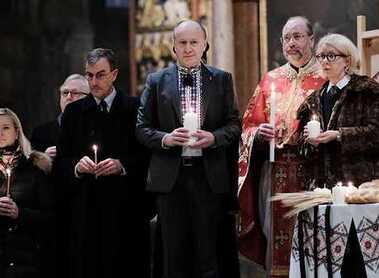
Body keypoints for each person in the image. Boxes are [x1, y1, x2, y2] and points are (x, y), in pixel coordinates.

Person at [136, 19, 241, 278]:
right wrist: (166, 138)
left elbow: (234, 125)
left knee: (209, 255)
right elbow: (141, 127)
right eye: (182, 43)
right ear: (173, 46)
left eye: (194, 42)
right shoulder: (157, 80)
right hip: (171, 180)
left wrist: (214, 138)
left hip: (208, 177)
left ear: (205, 44)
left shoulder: (221, 79)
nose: (188, 48)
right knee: (174, 256)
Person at [237, 16, 326, 276]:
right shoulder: (270, 80)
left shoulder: (325, 78)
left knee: (314, 240)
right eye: (286, 38)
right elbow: (247, 127)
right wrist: (258, 132)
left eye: (297, 36)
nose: (291, 43)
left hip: (313, 173)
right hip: (274, 173)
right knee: (276, 242)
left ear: (312, 39)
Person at [54, 48, 152, 278]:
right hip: (86, 213)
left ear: (114, 74)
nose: (94, 81)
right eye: (89, 75)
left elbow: (148, 156)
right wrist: (77, 167)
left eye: (100, 74)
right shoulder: (74, 112)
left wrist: (122, 165)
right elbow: (61, 161)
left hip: (125, 212)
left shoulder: (135, 108)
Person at [297, 33, 379, 278]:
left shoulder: (367, 91)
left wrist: (340, 135)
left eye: (331, 55)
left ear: (347, 60)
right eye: (321, 55)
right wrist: (309, 142)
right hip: (324, 190)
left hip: (360, 188)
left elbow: (376, 133)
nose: (324, 61)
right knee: (330, 262)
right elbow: (300, 145)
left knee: (358, 259)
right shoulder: (313, 99)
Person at [0, 108, 53, 278]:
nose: (0, 133)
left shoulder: (34, 170)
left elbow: (50, 217)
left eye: (6, 127)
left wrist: (19, 213)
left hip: (25, 261)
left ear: (17, 132)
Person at [31, 74, 90, 158]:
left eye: (75, 93)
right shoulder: (40, 133)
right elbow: (30, 168)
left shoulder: (100, 129)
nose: (69, 97)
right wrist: (44, 158)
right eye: (65, 93)